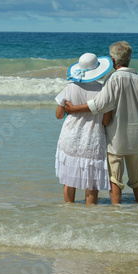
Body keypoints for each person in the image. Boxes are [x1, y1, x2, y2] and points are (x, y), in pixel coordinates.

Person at [65, 42, 138, 204]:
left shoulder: (113, 79)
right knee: (137, 179)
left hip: (116, 136)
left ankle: (116, 213)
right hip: (137, 135)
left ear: (112, 60)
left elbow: (100, 104)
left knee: (115, 179)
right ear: (129, 58)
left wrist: (75, 109)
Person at [55, 53, 113, 205]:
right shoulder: (103, 91)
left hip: (70, 135)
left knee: (69, 178)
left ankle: (69, 210)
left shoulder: (71, 87)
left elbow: (59, 115)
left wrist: (71, 108)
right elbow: (106, 120)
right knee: (91, 182)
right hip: (92, 137)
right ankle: (90, 216)